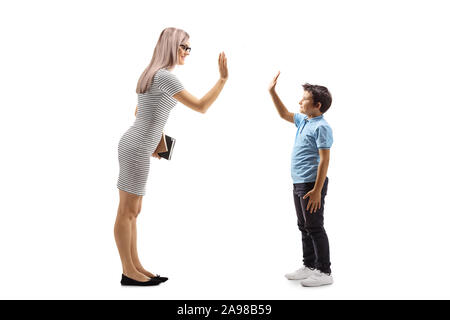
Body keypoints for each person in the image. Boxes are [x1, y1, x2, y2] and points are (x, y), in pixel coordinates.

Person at [115, 27, 228, 286]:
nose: (187, 52)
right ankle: (128, 272)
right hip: (136, 147)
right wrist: (222, 80)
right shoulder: (167, 77)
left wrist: (159, 139)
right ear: (170, 46)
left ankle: (135, 266)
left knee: (133, 210)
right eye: (183, 47)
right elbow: (201, 106)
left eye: (189, 48)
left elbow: (140, 112)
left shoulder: (151, 73)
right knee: (127, 211)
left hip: (136, 144)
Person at [268, 71, 334, 287]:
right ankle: (309, 265)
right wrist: (272, 92)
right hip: (299, 182)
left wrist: (316, 190)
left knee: (315, 226)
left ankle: (324, 271)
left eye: (304, 99)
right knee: (303, 225)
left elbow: (324, 160)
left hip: (311, 184)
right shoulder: (305, 121)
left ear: (317, 105)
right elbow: (283, 114)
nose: (300, 102)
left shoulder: (322, 127)